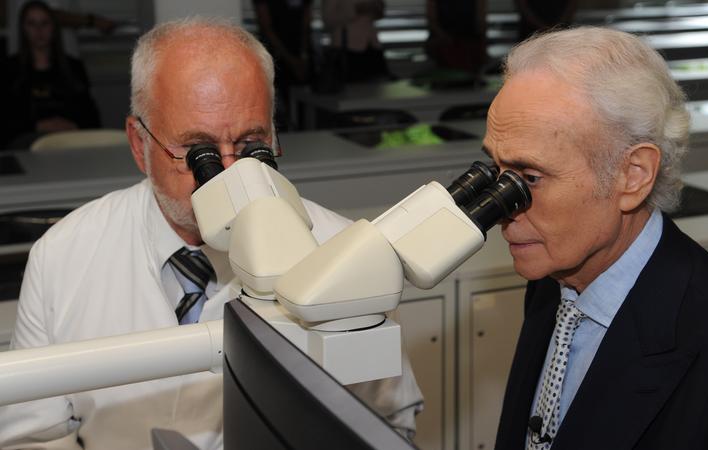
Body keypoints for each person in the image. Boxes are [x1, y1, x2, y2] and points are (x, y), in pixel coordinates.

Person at [0, 17, 422, 449]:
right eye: (196, 151)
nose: (225, 175)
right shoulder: (63, 256)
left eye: (249, 146)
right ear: (138, 144)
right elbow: (32, 435)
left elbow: (387, 424)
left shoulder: (342, 254)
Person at [487, 27, 708, 450]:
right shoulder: (554, 283)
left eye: (529, 178)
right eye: (497, 170)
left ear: (633, 175)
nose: (502, 204)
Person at [1, 0, 101, 149]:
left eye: (44, 23)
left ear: (53, 27)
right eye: (32, 24)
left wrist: (72, 125)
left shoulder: (73, 67)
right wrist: (37, 126)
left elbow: (91, 116)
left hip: (71, 141)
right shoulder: (9, 69)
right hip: (26, 145)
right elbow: (5, 120)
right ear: (23, 28)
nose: (38, 30)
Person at [251, 0, 312, 130]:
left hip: (300, 55)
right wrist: (291, 59)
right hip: (273, 57)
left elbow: (306, 22)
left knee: (304, 109)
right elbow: (266, 27)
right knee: (275, 111)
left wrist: (303, 55)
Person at [321, 0, 391, 82]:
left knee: (379, 86)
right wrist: (356, 10)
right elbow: (328, 19)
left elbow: (379, 14)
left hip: (371, 44)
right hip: (347, 47)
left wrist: (376, 8)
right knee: (351, 88)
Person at [425, 0, 487, 73]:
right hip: (444, 42)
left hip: (468, 42)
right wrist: (446, 38)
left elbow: (481, 23)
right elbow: (432, 22)